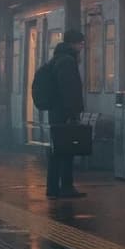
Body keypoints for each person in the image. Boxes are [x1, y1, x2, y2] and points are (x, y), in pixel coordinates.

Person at [46, 29, 86, 198]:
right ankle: (66, 187)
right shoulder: (67, 62)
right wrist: (73, 113)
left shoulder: (57, 58)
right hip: (64, 113)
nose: (82, 47)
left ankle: (54, 188)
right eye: (81, 43)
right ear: (73, 44)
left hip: (56, 112)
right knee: (66, 150)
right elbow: (69, 89)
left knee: (58, 150)